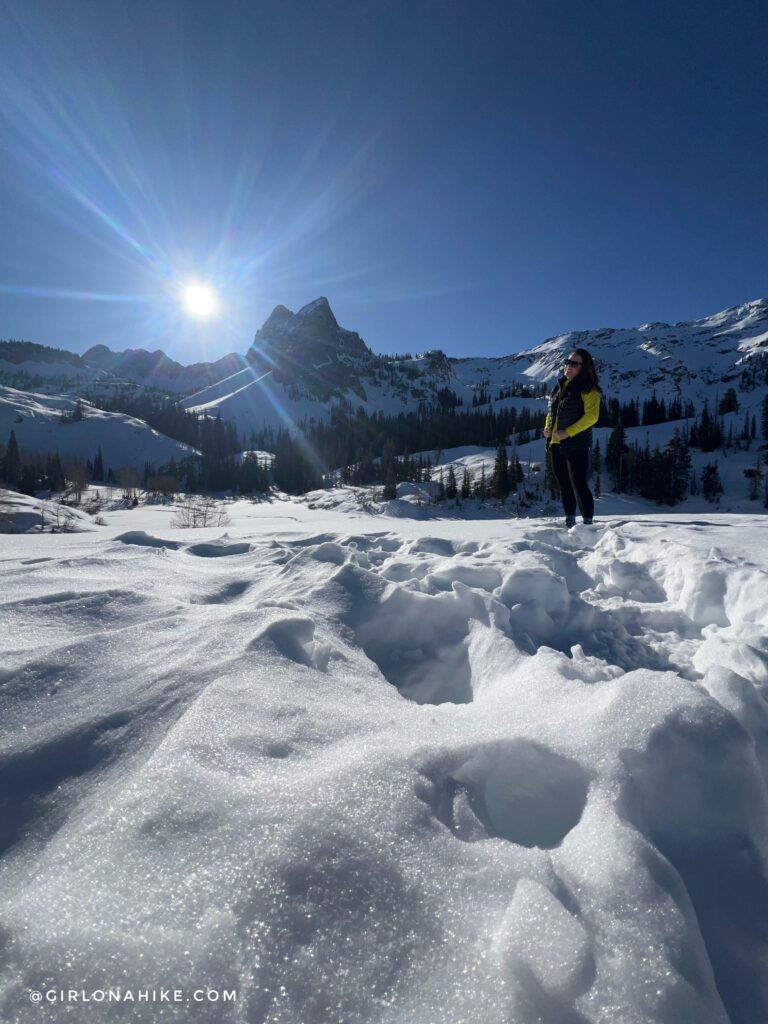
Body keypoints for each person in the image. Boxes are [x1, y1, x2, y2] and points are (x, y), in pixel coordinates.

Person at [543, 348, 601, 527]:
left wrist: (568, 432)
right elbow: (551, 412)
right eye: (567, 362)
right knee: (564, 484)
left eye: (574, 364)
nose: (569, 366)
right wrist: (547, 427)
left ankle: (588, 523)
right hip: (555, 444)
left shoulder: (589, 390)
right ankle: (569, 519)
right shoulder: (559, 386)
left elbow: (592, 417)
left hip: (577, 444)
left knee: (579, 484)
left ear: (584, 367)